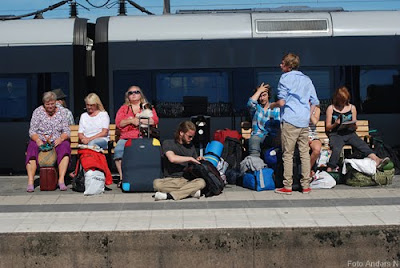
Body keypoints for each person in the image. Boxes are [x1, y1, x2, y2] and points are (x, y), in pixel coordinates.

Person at [270, 53, 320, 194]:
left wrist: (272, 105)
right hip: (303, 121)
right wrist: (308, 115)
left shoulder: (285, 78)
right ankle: (305, 186)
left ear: (288, 66)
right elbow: (315, 102)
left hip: (290, 120)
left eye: (282, 63)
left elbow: (282, 102)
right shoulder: (306, 79)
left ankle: (288, 186)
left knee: (288, 154)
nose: (280, 65)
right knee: (304, 153)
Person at [325, 86, 389, 172]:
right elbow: (328, 127)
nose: (343, 103)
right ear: (337, 98)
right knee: (336, 148)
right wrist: (336, 123)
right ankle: (330, 168)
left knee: (362, 145)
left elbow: (355, 126)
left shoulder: (352, 108)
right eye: (341, 101)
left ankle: (377, 160)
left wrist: (352, 125)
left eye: (345, 101)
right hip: (336, 134)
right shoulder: (331, 108)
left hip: (349, 133)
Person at [25, 91, 71, 192]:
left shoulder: (62, 112)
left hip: (56, 139)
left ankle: (61, 180)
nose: (50, 106)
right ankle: (30, 181)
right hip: (41, 139)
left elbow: (66, 130)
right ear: (44, 104)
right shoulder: (38, 112)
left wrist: (61, 138)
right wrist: (37, 140)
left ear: (55, 102)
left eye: (52, 104)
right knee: (31, 148)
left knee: (65, 147)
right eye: (47, 104)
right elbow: (32, 130)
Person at [114, 86, 159, 187]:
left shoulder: (147, 106)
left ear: (140, 94)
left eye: (136, 92)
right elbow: (119, 123)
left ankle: (144, 177)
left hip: (143, 136)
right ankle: (122, 178)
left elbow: (154, 120)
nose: (134, 94)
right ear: (127, 96)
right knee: (118, 151)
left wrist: (140, 121)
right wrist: (131, 120)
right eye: (131, 93)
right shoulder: (123, 109)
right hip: (126, 137)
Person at [153, 121, 206, 201]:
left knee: (201, 182)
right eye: (189, 136)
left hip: (186, 179)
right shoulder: (168, 143)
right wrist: (189, 158)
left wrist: (198, 160)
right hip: (170, 180)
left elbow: (194, 162)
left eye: (192, 137)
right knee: (156, 184)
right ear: (181, 133)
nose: (191, 139)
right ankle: (189, 192)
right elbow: (172, 158)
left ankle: (169, 196)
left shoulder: (191, 146)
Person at [247, 83, 281, 157]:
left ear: (268, 95)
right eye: (260, 96)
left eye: (264, 95)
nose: (262, 98)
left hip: (271, 137)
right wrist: (259, 91)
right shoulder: (256, 108)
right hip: (257, 135)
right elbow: (250, 103)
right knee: (254, 141)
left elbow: (279, 126)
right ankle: (255, 165)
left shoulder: (275, 109)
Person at [308, 104, 322, 177]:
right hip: (301, 134)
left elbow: (314, 121)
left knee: (317, 150)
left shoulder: (316, 109)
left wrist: (309, 110)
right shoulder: (298, 107)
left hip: (313, 135)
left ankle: (307, 170)